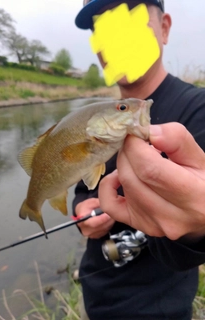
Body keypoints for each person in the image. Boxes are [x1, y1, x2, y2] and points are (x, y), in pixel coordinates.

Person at [72, 1, 205, 320]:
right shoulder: (98, 117)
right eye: (103, 29)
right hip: (96, 296)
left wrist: (196, 228)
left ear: (164, 27)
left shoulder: (198, 109)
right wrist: (83, 209)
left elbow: (192, 241)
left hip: (158, 310)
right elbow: (81, 184)